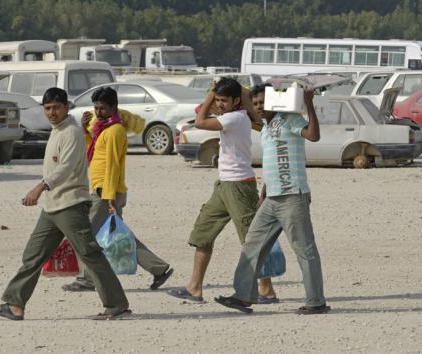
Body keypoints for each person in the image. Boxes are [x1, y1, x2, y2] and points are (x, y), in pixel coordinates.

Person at [0, 87, 131, 321]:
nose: (51, 112)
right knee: (33, 256)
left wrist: (40, 187)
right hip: (53, 207)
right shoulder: (57, 130)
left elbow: (66, 168)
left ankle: (116, 304)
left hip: (70, 204)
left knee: (90, 254)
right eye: (47, 108)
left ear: (66, 107)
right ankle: (14, 304)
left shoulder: (71, 132)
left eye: (56, 108)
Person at [215, 83, 330, 315]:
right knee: (252, 245)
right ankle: (243, 296)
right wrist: (263, 194)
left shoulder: (290, 118)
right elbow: (274, 161)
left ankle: (316, 302)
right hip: (271, 198)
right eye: (255, 103)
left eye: (262, 103)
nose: (258, 107)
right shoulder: (266, 127)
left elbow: (314, 136)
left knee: (304, 250)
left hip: (292, 196)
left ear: (274, 102)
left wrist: (308, 103)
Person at [167, 78, 278, 304]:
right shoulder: (232, 116)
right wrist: (216, 94)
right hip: (223, 184)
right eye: (218, 100)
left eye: (223, 100)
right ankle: (194, 288)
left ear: (236, 101)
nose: (220, 104)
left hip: (239, 186)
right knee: (203, 234)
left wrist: (210, 94)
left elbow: (199, 122)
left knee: (251, 239)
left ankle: (266, 289)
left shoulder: (236, 118)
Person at [62, 87, 174, 292]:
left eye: (103, 108)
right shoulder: (102, 128)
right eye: (96, 108)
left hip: (105, 191)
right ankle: (158, 269)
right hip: (101, 189)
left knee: (87, 234)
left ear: (114, 107)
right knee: (119, 235)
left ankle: (88, 279)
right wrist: (86, 129)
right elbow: (93, 151)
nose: (98, 112)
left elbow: (113, 165)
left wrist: (109, 198)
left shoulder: (115, 131)